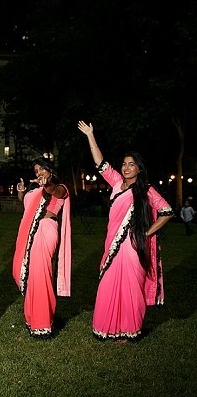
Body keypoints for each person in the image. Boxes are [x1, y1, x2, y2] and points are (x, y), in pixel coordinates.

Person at [78, 120, 173, 342]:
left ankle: (129, 330)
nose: (126, 167)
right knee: (109, 284)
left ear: (139, 168)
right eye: (124, 164)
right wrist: (90, 136)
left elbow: (167, 211)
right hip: (112, 244)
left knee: (130, 287)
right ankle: (107, 327)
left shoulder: (146, 189)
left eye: (131, 164)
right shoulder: (116, 182)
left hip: (133, 246)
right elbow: (100, 163)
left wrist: (147, 234)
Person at [12, 158, 72, 338]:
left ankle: (42, 322)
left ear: (50, 171)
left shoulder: (59, 187)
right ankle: (34, 318)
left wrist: (48, 184)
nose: (38, 173)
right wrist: (22, 193)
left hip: (45, 228)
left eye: (42, 169)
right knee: (29, 274)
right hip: (30, 231)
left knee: (40, 274)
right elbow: (27, 206)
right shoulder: (35, 190)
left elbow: (56, 192)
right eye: (36, 170)